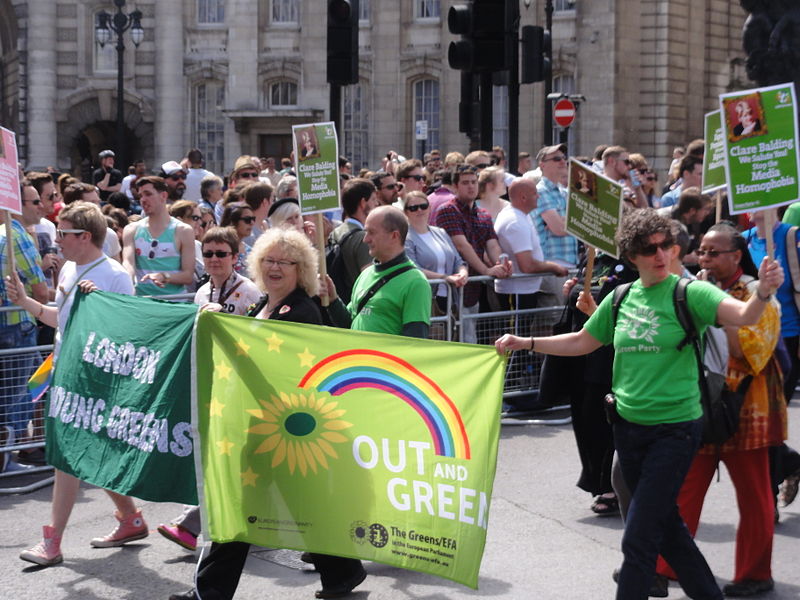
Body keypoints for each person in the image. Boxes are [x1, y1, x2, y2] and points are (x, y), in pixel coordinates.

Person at [495, 209, 783, 600]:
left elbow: (746, 316)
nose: (661, 254)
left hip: (676, 429)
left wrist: (763, 292)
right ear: (632, 256)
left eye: (667, 245)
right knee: (670, 531)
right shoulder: (621, 297)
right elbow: (582, 341)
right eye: (650, 249)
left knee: (639, 540)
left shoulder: (691, 292)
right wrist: (527, 342)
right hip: (628, 428)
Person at [170, 228, 366, 600]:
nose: (275, 268)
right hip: (269, 424)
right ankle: (343, 571)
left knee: (240, 508)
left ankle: (209, 592)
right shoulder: (263, 304)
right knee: (294, 503)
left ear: (301, 269)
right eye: (268, 260)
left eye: (285, 262)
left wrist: (220, 327)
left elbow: (261, 357)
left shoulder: (300, 310)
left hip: (284, 426)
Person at [7, 202, 147, 566]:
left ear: (84, 236)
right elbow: (60, 320)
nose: (56, 241)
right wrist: (26, 302)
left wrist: (95, 305)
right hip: (63, 371)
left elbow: (125, 336)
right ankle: (130, 519)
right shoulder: (69, 268)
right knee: (85, 454)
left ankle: (51, 541)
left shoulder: (114, 275)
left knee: (67, 456)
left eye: (63, 234)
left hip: (94, 380)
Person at [653, 223, 785, 598]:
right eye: (703, 251)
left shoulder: (763, 296)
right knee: (684, 490)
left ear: (736, 256)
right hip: (698, 405)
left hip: (747, 409)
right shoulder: (693, 289)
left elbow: (749, 353)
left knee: (755, 496)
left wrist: (712, 305)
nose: (705, 258)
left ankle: (755, 573)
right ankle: (665, 568)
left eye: (714, 252)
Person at [158, 226, 262, 553]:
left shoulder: (250, 293)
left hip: (243, 387)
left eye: (222, 254)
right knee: (226, 458)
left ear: (235, 256)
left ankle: (193, 523)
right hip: (213, 386)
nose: (214, 260)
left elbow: (261, 341)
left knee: (232, 458)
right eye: (209, 254)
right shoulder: (201, 293)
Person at [326, 205, 432, 338]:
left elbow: (415, 342)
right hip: (358, 358)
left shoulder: (416, 282)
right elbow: (350, 325)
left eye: (371, 232)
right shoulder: (366, 274)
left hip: (384, 359)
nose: (365, 239)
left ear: (394, 236)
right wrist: (333, 300)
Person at [121, 176, 196, 297]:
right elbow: (128, 263)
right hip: (142, 301)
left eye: (148, 194)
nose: (143, 200)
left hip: (173, 302)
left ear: (163, 196)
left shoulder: (183, 230)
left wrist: (164, 276)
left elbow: (188, 276)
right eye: (140, 196)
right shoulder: (131, 230)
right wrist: (126, 279)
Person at [402, 190, 468, 315]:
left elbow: (458, 260)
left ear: (429, 208)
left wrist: (462, 273)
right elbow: (413, 269)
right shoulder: (406, 237)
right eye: (413, 208)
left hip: (450, 297)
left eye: (423, 206)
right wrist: (445, 278)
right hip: (425, 298)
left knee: (452, 333)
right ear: (406, 212)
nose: (419, 210)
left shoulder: (441, 232)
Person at [219, 201, 256, 275]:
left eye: (253, 219)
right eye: (247, 219)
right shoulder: (219, 247)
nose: (252, 223)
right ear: (232, 221)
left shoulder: (248, 249)